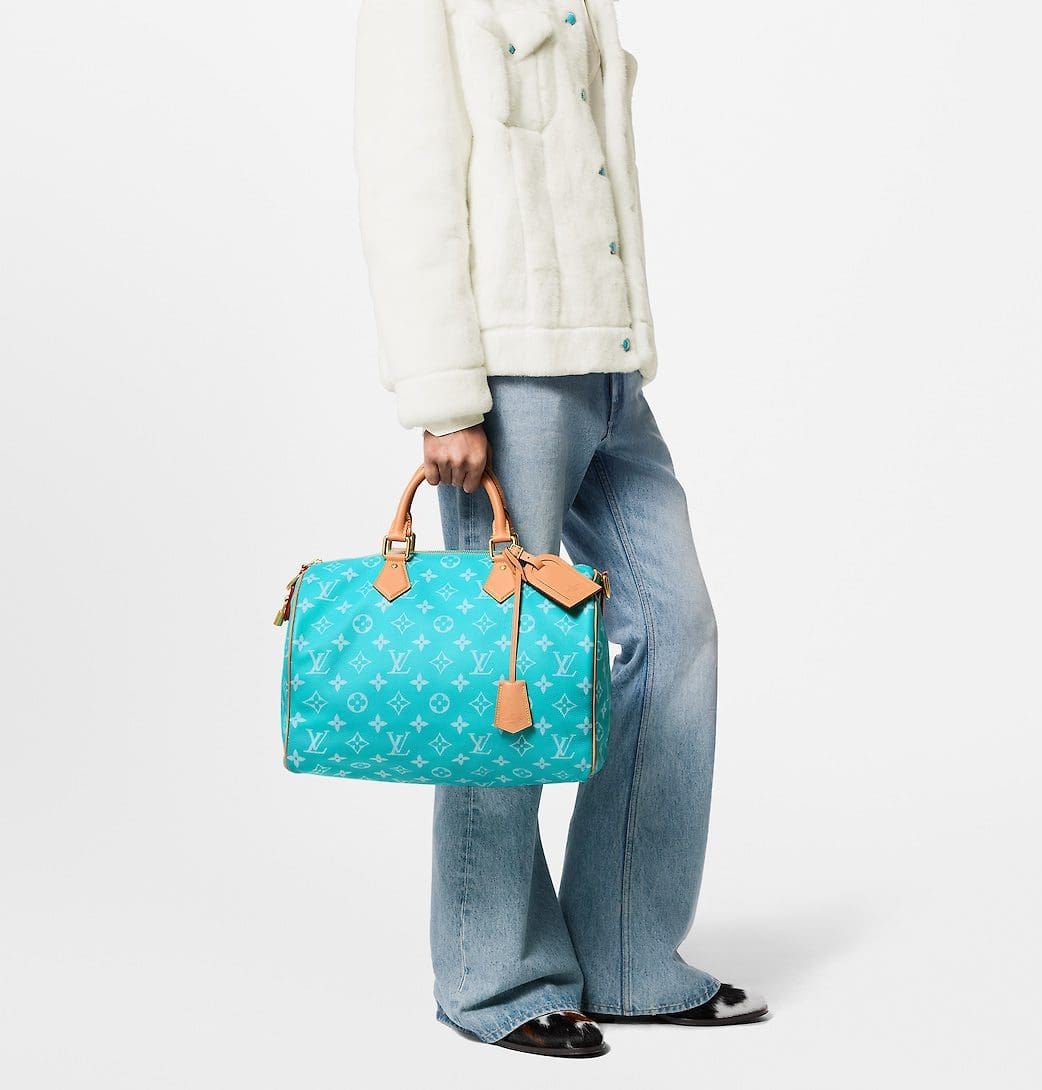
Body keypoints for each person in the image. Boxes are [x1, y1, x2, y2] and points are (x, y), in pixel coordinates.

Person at [353, 0, 768, 1058]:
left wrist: (627, 342)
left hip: (607, 364)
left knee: (675, 632)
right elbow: (407, 182)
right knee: (507, 669)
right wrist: (444, 395)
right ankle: (492, 975)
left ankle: (627, 955)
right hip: (507, 375)